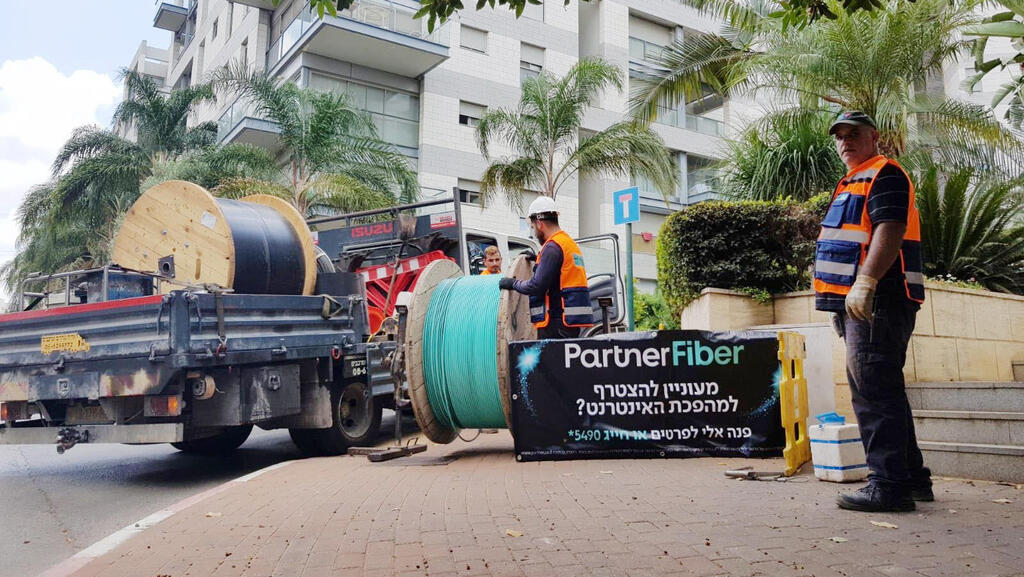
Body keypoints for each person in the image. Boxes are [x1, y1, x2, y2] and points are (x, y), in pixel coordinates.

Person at [815, 110, 931, 513]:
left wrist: (865, 283)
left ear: (873, 136)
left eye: (854, 134)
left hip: (879, 298)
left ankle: (889, 485)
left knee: (873, 392)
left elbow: (890, 228)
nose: (845, 141)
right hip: (863, 302)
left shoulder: (885, 173)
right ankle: (912, 479)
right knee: (885, 391)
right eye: (840, 136)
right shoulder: (853, 180)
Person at [498, 197, 593, 339]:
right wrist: (538, 259)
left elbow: (537, 286)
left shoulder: (552, 247)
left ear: (540, 223)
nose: (534, 232)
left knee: (551, 361)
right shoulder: (568, 244)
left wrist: (513, 283)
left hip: (555, 323)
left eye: (533, 227)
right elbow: (560, 274)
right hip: (569, 322)